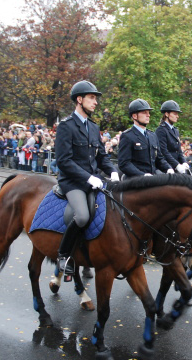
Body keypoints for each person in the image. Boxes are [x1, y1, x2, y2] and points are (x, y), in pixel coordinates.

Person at [55, 80, 120, 278]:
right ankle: (63, 255)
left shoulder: (93, 127)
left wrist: (113, 171)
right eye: (92, 98)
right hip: (73, 182)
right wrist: (88, 178)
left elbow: (101, 156)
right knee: (82, 216)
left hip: (94, 178)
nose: (95, 102)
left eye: (95, 98)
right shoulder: (66, 126)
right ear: (79, 99)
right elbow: (63, 161)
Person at [118, 99, 174, 178]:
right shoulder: (127, 136)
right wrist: (142, 175)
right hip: (135, 180)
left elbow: (159, 159)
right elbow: (124, 164)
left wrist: (168, 168)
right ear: (134, 116)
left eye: (148, 113)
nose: (148, 115)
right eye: (144, 113)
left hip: (152, 178)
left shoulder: (152, 135)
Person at [155, 100, 190, 174]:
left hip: (177, 165)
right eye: (175, 114)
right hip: (166, 166)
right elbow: (163, 151)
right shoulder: (161, 130)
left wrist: (184, 162)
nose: (177, 116)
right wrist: (176, 165)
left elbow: (179, 150)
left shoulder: (175, 130)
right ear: (167, 114)